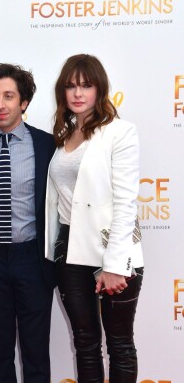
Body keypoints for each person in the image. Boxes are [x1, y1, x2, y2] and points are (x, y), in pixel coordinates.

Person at [45, 54, 144, 382]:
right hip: (70, 252)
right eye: (71, 86)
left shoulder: (120, 133)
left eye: (86, 85)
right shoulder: (63, 135)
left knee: (119, 343)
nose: (78, 93)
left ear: (99, 89)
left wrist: (115, 264)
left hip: (111, 251)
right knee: (85, 344)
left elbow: (125, 203)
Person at [0, 63, 56, 382]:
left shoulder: (46, 145)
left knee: (36, 351)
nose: (0, 104)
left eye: (8, 96)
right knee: (0, 351)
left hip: (32, 258)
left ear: (24, 103)